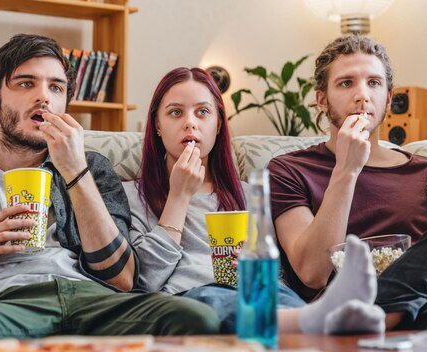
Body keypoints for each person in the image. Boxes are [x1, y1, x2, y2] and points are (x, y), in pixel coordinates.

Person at [0, 33, 221, 340]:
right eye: (26, 83)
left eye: (56, 87)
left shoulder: (93, 168)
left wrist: (74, 170)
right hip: (5, 303)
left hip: (93, 300)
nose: (44, 97)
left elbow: (122, 278)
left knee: (195, 318)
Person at [126, 66, 387, 335]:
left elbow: (278, 278)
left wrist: (258, 265)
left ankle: (322, 317)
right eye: (175, 112)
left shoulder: (250, 194)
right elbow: (143, 281)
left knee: (280, 297)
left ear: (218, 125)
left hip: (261, 296)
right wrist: (178, 197)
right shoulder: (132, 196)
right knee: (210, 301)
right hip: (189, 300)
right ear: (157, 125)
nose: (190, 122)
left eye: (203, 112)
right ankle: (318, 317)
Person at [268, 34, 427, 330]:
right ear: (321, 99)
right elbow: (312, 272)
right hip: (345, 313)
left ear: (389, 99)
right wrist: (347, 170)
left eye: (374, 83)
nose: (362, 95)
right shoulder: (289, 170)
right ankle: (377, 319)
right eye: (346, 83)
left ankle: (385, 319)